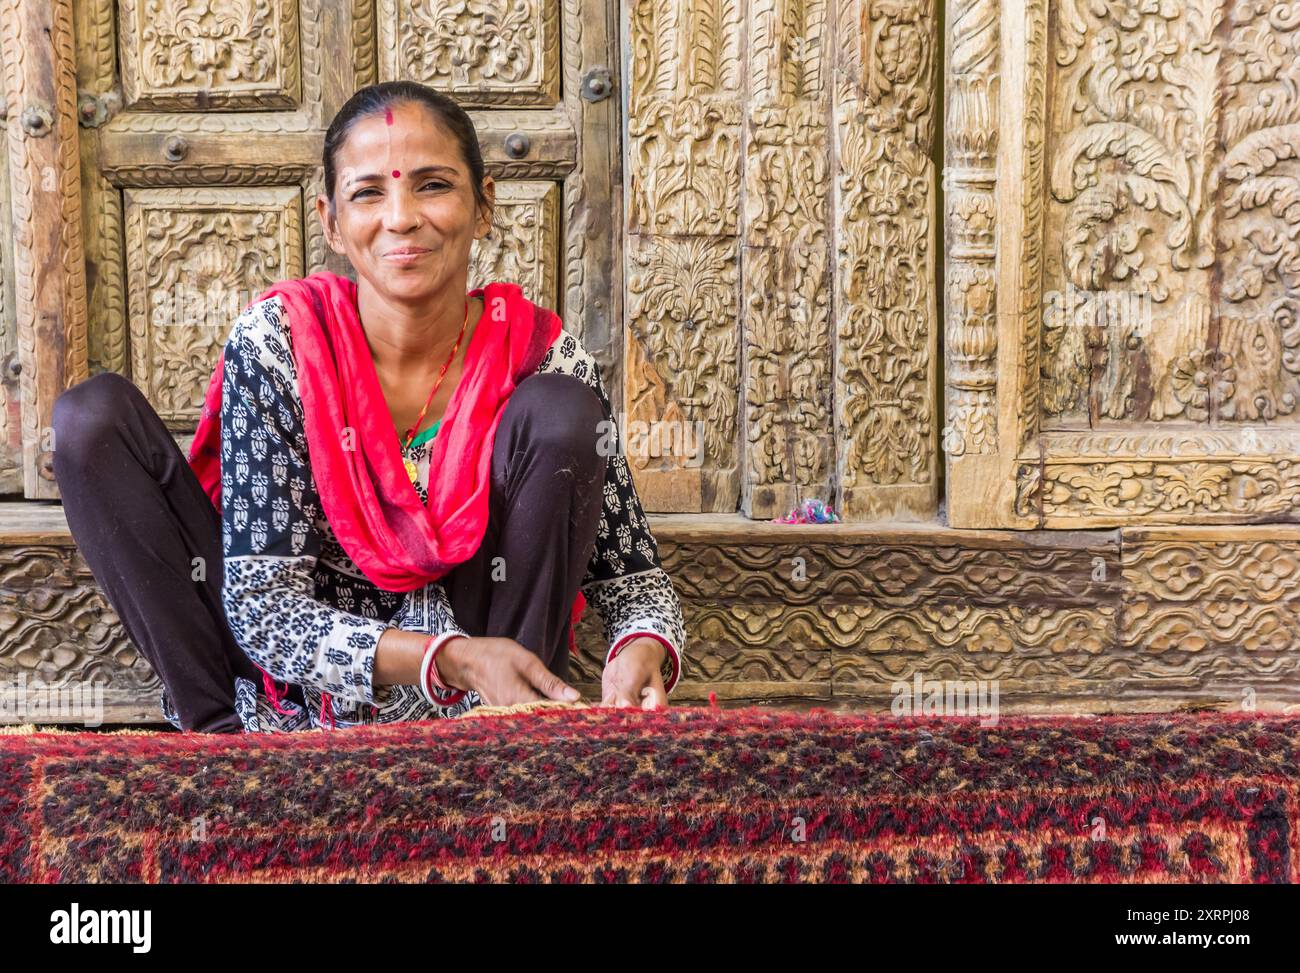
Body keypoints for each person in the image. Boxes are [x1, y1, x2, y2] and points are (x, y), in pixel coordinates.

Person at [52, 81, 685, 733]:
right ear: (331, 221)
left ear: (484, 204)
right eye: (368, 193)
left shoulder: (537, 354)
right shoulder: (282, 345)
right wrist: (446, 658)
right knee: (88, 421)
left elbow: (637, 582)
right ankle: (229, 753)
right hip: (290, 694)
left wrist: (641, 647)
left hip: (484, 686)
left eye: (433, 185)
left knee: (561, 411)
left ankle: (513, 737)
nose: (402, 217)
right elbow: (264, 609)